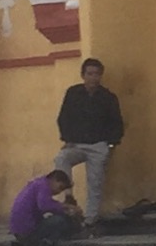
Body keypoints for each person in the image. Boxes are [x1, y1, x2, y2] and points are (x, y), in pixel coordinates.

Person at [53, 58, 124, 231]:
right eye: (90, 74)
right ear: (83, 75)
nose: (93, 78)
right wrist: (67, 138)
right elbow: (64, 117)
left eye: (97, 74)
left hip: (98, 145)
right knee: (61, 159)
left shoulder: (108, 97)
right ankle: (69, 195)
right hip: (76, 144)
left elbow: (116, 123)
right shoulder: (73, 93)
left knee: (95, 182)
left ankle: (90, 220)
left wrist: (111, 145)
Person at [9, 167, 83, 246]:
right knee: (60, 222)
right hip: (27, 230)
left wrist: (62, 209)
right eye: (60, 187)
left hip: (19, 229)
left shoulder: (37, 184)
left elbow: (48, 206)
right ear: (54, 180)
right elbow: (45, 205)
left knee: (56, 220)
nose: (58, 192)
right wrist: (67, 207)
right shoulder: (43, 186)